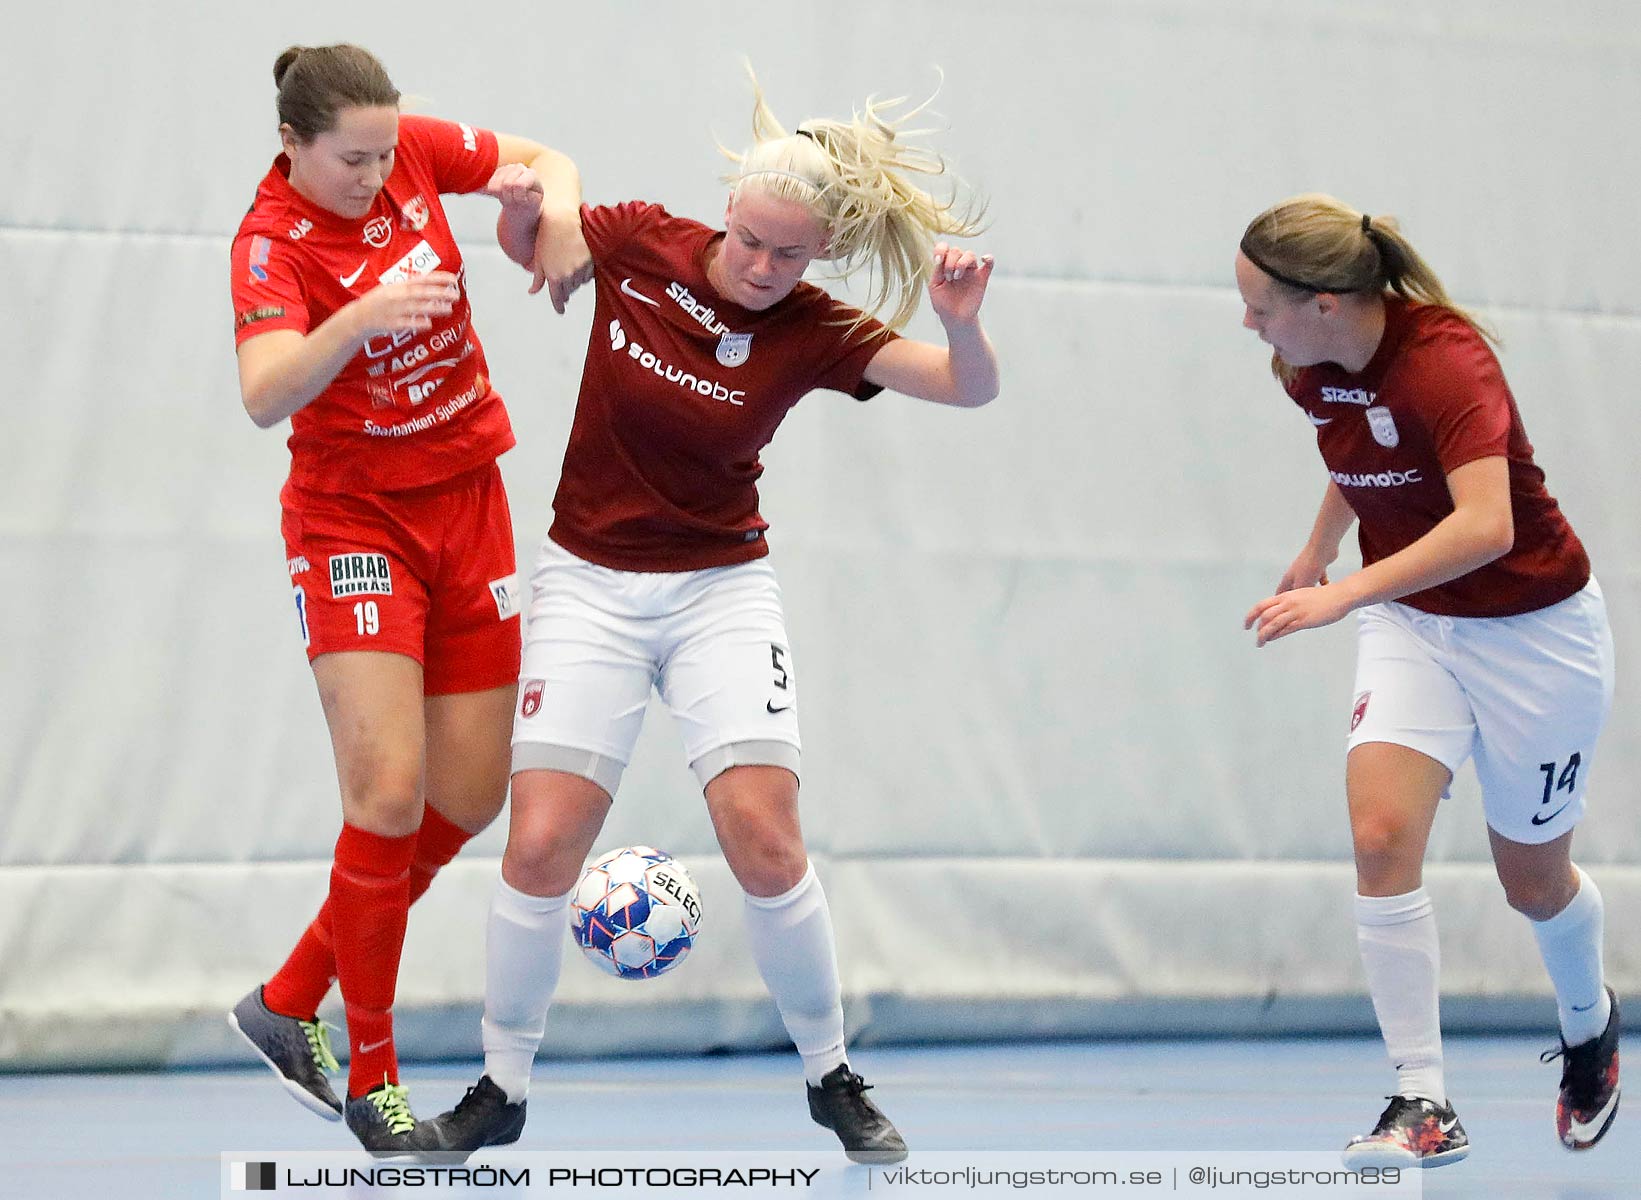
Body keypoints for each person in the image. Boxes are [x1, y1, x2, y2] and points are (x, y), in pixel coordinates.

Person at [424, 75, 998, 1162]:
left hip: (719, 590)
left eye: (789, 255)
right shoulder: (645, 240)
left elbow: (965, 390)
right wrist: (517, 215)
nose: (762, 269)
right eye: (749, 243)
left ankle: (832, 1076)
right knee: (540, 845)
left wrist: (963, 329)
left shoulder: (818, 328)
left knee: (765, 842)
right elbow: (544, 244)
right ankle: (501, 1088)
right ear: (726, 212)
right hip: (589, 581)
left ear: (819, 253)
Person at [225, 43, 590, 1156]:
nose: (377, 176)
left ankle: (289, 998)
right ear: (293, 145)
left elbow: (542, 156)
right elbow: (260, 392)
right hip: (355, 525)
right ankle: (373, 1077)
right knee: (387, 793)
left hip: (466, 499)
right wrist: (359, 319)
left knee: (469, 795)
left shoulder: (409, 152)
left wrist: (558, 214)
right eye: (352, 160)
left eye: (388, 152)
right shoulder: (270, 243)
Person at [1236, 194, 1620, 1168]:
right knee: (1380, 834)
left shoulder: (1448, 362)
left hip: (1536, 636)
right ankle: (1422, 1099)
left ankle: (1590, 1024)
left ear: (1326, 302)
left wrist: (1346, 592)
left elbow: (1486, 524)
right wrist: (1316, 550)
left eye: (1260, 306)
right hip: (1417, 623)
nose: (1249, 325)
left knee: (1531, 883)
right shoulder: (1307, 363)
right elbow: (1359, 449)